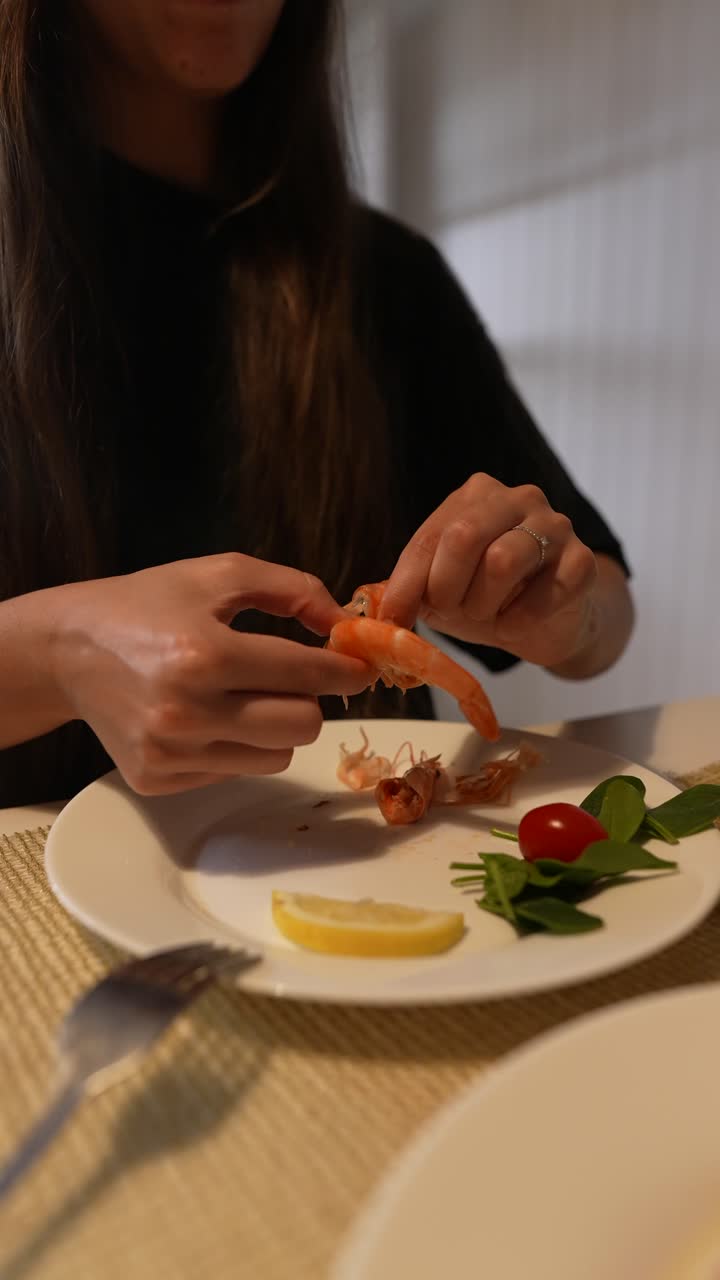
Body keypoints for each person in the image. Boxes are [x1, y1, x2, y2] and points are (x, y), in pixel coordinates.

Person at [0, 0, 634, 807]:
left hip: (375, 877)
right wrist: (55, 655)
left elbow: (605, 620)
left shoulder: (386, 277)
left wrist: (561, 609)